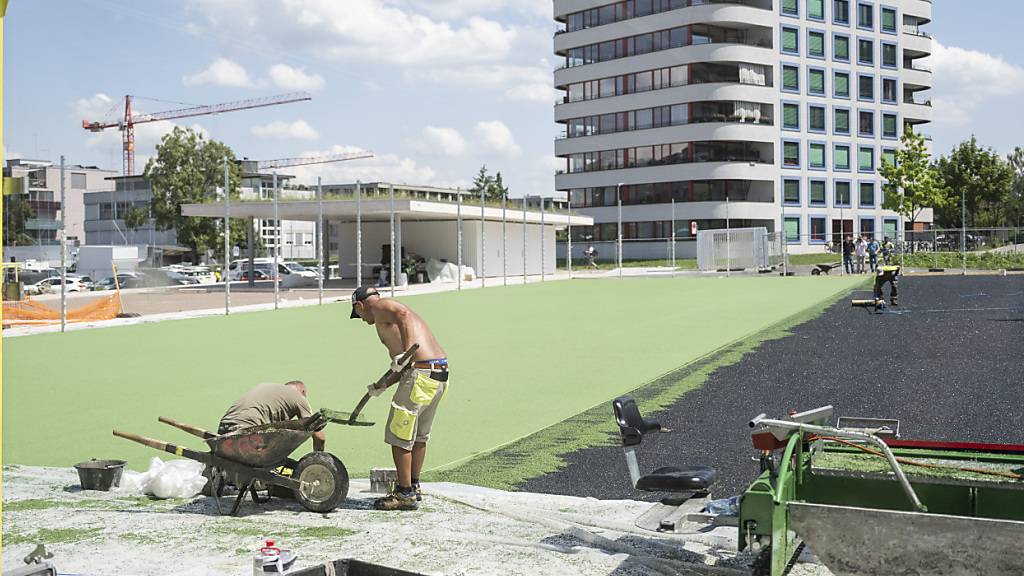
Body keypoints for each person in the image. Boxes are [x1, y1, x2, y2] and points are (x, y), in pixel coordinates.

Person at [350, 286, 448, 511]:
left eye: (359, 314)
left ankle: (404, 494)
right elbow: (403, 367)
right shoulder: (387, 321)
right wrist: (382, 385)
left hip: (420, 374)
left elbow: (402, 315)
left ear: (360, 305)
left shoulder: (379, 307)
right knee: (419, 436)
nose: (362, 319)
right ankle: (413, 485)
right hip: (437, 374)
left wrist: (405, 352)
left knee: (399, 434)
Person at [218, 381, 326, 452]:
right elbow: (319, 436)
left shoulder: (270, 389)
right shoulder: (299, 397)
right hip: (246, 432)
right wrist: (319, 461)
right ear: (303, 392)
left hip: (223, 429)